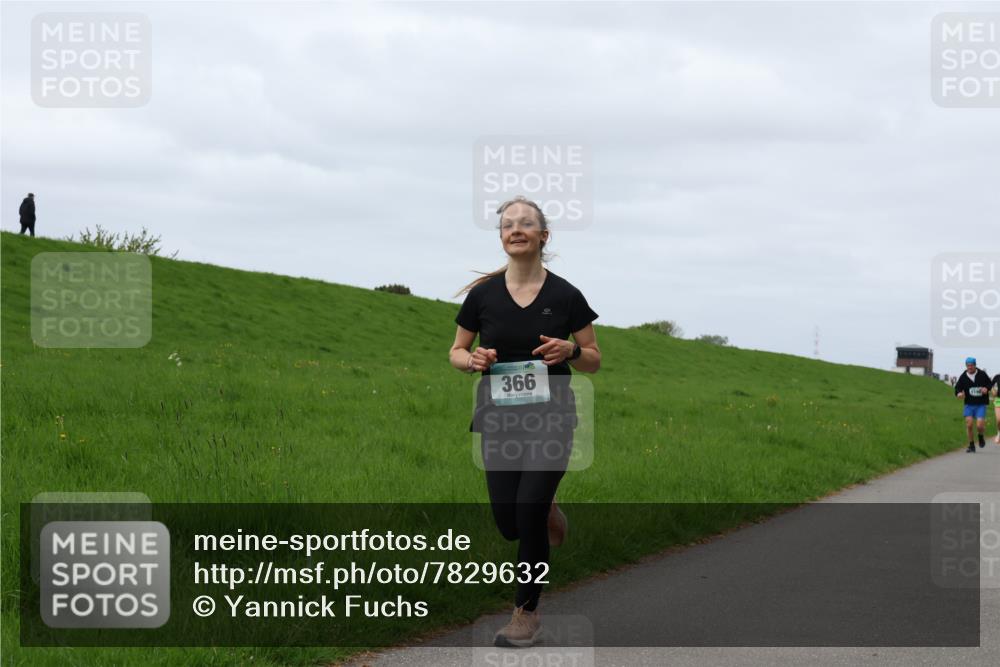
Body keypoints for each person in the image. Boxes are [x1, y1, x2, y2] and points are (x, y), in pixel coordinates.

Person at [449, 195, 600, 648]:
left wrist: (571, 350)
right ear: (501, 237)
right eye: (507, 224)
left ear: (543, 236)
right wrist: (472, 359)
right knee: (509, 522)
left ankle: (525, 613)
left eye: (526, 224)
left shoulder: (565, 295)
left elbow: (593, 360)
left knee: (527, 513)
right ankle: (546, 508)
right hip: (498, 419)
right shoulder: (483, 297)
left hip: (552, 416)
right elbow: (456, 352)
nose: (515, 229)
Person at [954, 357, 992, 452]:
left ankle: (980, 436)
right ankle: (971, 445)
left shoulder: (982, 374)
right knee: (969, 424)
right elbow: (958, 388)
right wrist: (959, 394)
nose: (970, 367)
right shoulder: (963, 376)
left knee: (979, 425)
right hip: (969, 404)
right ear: (966, 366)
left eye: (971, 365)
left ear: (975, 365)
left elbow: (990, 384)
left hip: (980, 404)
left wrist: (986, 389)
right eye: (968, 366)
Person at [992, 370, 1000, 445]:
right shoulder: (997, 376)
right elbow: (990, 385)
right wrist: (993, 390)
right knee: (998, 420)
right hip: (998, 400)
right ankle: (999, 432)